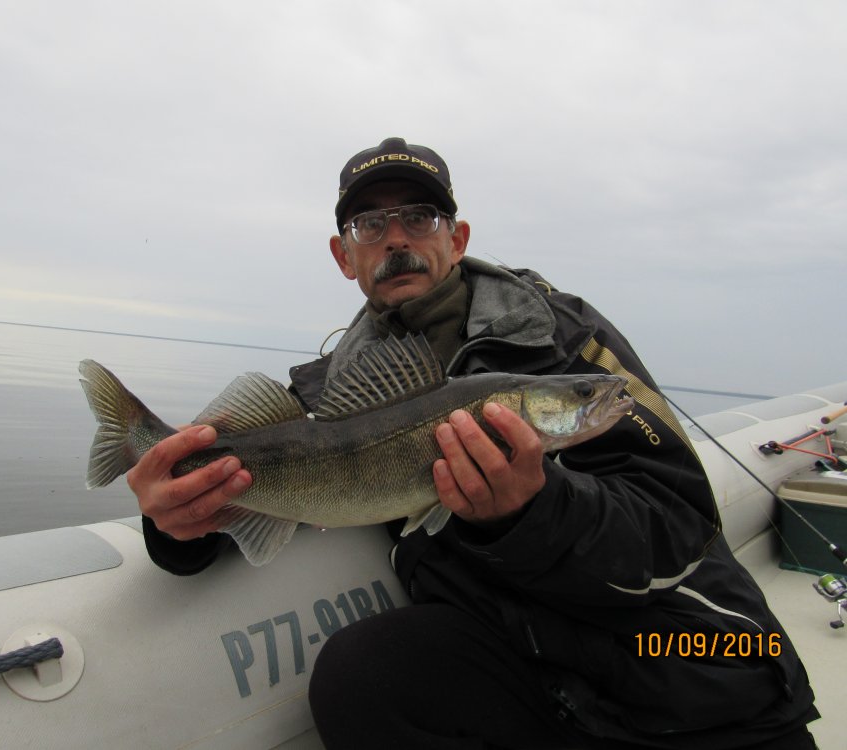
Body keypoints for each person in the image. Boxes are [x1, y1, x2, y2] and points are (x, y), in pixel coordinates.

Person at [127, 138, 819, 749]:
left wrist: (535, 509)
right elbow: (262, 487)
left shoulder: (565, 339)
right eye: (370, 224)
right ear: (344, 255)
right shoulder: (324, 396)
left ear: (456, 238)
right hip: (525, 674)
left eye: (420, 217)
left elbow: (680, 523)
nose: (396, 239)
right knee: (361, 677)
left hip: (683, 670)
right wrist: (177, 518)